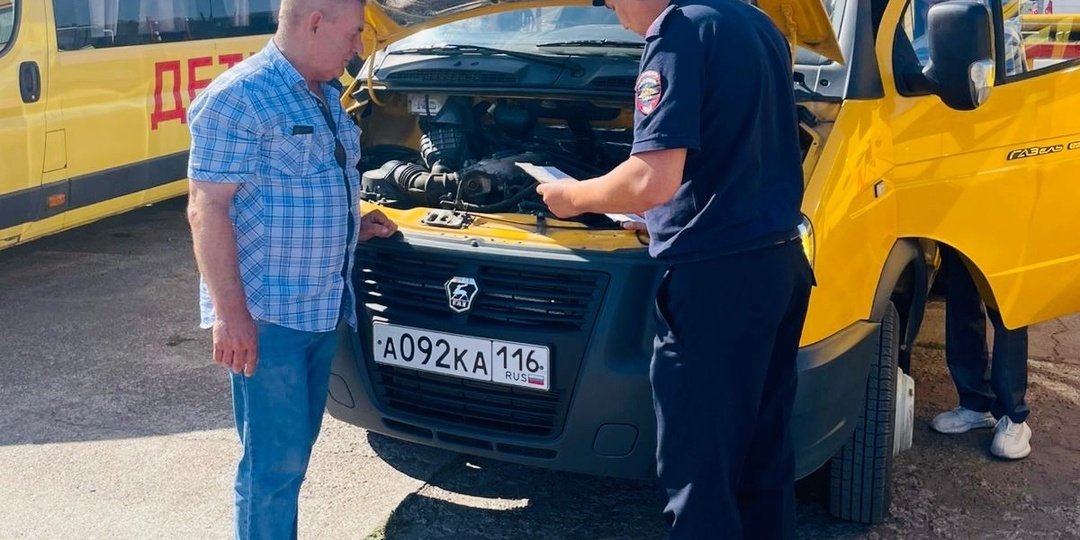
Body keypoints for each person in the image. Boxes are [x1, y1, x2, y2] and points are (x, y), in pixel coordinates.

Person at [537, 0, 814, 537]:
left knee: (699, 474)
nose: (609, 5)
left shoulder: (677, 33)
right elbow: (737, 156)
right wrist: (670, 220)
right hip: (777, 264)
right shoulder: (758, 24)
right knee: (763, 457)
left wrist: (571, 196)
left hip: (716, 283)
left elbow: (650, 180)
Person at [185, 0, 397, 537]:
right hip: (267, 318)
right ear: (315, 22)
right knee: (272, 468)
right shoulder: (239, 97)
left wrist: (354, 222)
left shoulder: (326, 93)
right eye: (352, 34)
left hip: (321, 309)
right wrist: (231, 315)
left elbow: (311, 184)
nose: (357, 47)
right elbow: (206, 207)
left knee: (293, 457)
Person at [931, 246, 1032, 459]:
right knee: (961, 297)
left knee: (1008, 304)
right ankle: (975, 402)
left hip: (1006, 220)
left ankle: (1013, 415)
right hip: (955, 218)